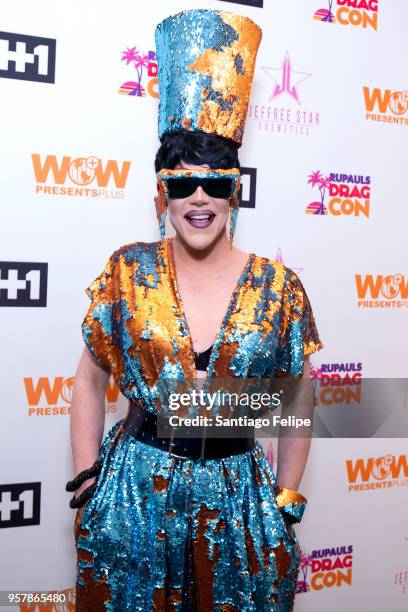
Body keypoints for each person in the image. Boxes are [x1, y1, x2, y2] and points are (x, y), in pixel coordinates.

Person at [67, 8, 324, 611]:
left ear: (237, 189)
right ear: (163, 193)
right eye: (182, 185)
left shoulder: (279, 287)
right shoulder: (128, 270)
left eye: (216, 182)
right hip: (135, 495)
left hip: (241, 503)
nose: (199, 198)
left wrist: (286, 497)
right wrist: (86, 483)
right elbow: (88, 378)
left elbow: (298, 399)